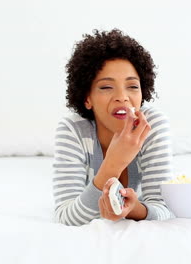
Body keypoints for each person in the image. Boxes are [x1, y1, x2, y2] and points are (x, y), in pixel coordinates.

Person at [52, 29, 174, 226]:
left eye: (133, 86)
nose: (122, 97)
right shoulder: (73, 130)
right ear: (87, 98)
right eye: (106, 87)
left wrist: (134, 210)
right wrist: (113, 164)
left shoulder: (152, 126)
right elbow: (66, 217)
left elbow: (165, 210)